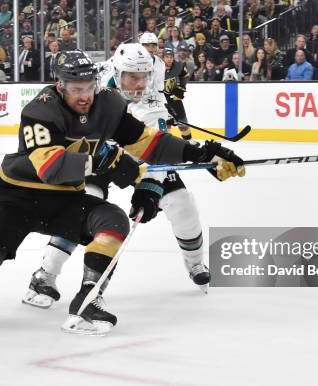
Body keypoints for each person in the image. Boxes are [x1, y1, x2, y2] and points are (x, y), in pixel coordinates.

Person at [0, 49, 246, 337]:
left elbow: (148, 143)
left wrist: (205, 152)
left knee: (112, 220)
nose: (83, 96)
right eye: (75, 90)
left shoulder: (110, 105)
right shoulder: (40, 111)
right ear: (60, 85)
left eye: (88, 89)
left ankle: (87, 302)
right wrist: (106, 160)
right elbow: (50, 167)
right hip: (19, 196)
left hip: (64, 200)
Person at [22, 45, 242, 313]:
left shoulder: (153, 102)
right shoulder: (93, 85)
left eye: (145, 76)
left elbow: (158, 151)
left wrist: (150, 189)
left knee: (181, 202)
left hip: (137, 157)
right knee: (84, 205)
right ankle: (45, 274)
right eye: (133, 77)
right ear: (116, 71)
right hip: (96, 155)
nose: (141, 83)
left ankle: (195, 262)